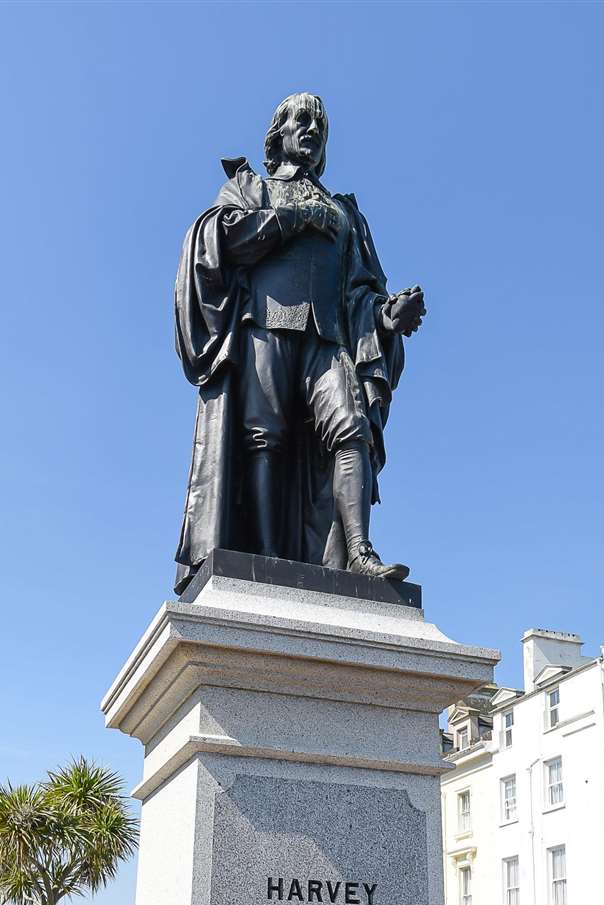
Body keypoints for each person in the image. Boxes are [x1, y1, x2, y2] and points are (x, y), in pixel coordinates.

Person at [174, 92, 426, 592]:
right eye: (301, 121)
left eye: (319, 124)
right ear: (278, 134)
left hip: (328, 339)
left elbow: (359, 291)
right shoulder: (250, 189)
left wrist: (387, 316)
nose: (311, 129)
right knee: (264, 438)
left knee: (351, 427)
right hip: (264, 326)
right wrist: (292, 218)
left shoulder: (345, 213)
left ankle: (359, 553)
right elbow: (219, 243)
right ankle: (267, 556)